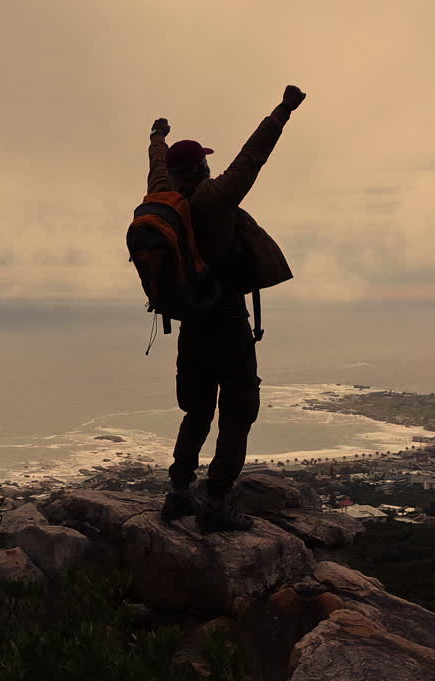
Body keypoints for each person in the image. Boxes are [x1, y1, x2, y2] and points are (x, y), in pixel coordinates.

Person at [149, 85, 306, 532]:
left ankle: (179, 493)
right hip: (228, 325)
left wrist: (157, 135)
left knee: (196, 411)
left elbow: (156, 165)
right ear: (202, 167)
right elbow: (253, 156)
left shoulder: (165, 198)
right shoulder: (215, 200)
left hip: (191, 326)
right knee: (237, 413)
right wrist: (284, 110)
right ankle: (216, 503)